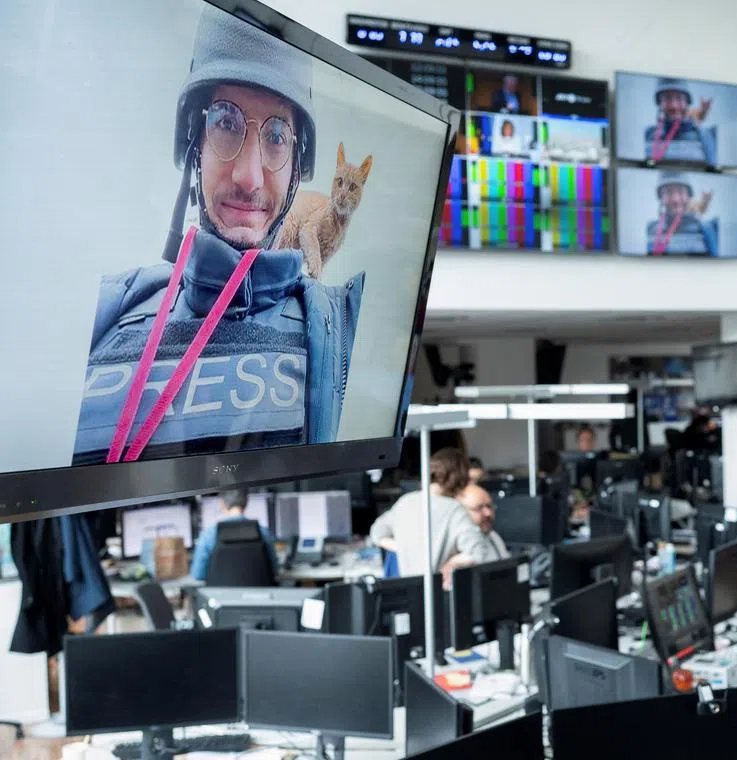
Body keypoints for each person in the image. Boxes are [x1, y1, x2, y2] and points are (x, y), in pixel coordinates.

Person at [72, 7, 363, 466]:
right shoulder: (105, 309)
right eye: (226, 122)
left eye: (277, 137)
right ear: (195, 146)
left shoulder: (340, 324)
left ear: (295, 168)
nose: (249, 177)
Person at [369, 448, 496, 580]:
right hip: (438, 590)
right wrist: (453, 562)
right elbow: (478, 553)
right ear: (460, 477)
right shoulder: (453, 509)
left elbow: (377, 533)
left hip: (410, 589)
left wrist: (404, 548)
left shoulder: (405, 502)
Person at [189, 489, 277, 581]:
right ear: (246, 503)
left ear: (222, 504)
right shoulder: (264, 533)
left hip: (219, 594)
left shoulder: (208, 535)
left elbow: (198, 574)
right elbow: (274, 571)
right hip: (258, 594)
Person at [642, 77, 715, 165]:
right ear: (659, 103)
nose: (674, 106)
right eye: (667, 98)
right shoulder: (647, 135)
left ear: (687, 102)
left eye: (679, 98)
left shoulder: (706, 136)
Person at [645, 172, 715, 256]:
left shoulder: (707, 228)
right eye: (668, 192)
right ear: (661, 197)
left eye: (681, 191)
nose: (676, 200)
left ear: (689, 196)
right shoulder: (650, 228)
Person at [457, 483, 509, 560]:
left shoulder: (494, 537)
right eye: (479, 508)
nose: (488, 513)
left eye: (489, 506)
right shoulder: (454, 546)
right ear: (460, 512)